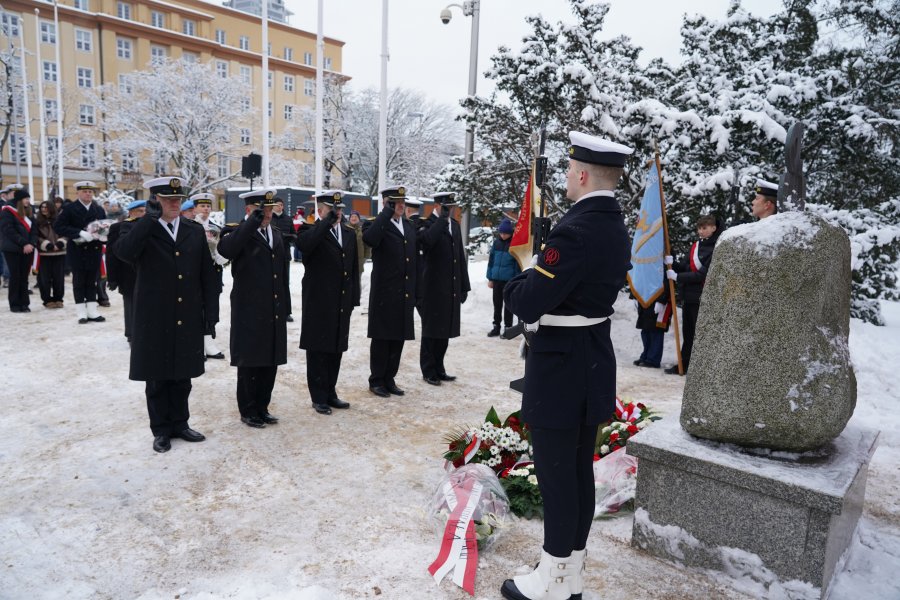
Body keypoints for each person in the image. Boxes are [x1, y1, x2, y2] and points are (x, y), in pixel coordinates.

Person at [502, 131, 633, 600]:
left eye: (567, 170)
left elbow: (527, 301)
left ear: (581, 174)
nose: (565, 177)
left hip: (562, 365)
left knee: (559, 475)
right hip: (589, 358)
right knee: (577, 471)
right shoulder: (612, 223)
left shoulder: (575, 230)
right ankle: (566, 570)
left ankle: (554, 582)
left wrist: (528, 271)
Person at [114, 176, 219, 453]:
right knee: (158, 376)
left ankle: (180, 423)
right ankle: (160, 429)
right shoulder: (138, 228)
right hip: (155, 314)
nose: (174, 204)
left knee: (182, 374)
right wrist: (148, 220)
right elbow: (123, 253)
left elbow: (206, 274)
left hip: (187, 311)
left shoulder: (192, 230)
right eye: (167, 199)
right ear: (155, 201)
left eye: (177, 199)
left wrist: (211, 314)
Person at [217, 188, 288, 428]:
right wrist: (250, 225)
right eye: (262, 209)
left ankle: (263, 406)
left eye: (269, 209)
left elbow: (281, 271)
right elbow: (226, 251)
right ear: (249, 210)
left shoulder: (275, 233)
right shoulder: (237, 232)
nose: (267, 214)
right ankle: (248, 409)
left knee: (270, 360)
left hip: (273, 306)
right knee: (250, 360)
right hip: (249, 307)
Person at [297, 191, 361, 415]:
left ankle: (331, 391)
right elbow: (305, 247)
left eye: (340, 209)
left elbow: (354, 268)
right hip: (319, 301)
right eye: (332, 210)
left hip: (341, 300)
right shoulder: (310, 230)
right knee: (318, 350)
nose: (338, 213)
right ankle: (318, 396)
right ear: (321, 210)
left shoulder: (348, 233)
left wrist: (354, 298)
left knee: (336, 348)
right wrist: (325, 223)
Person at [362, 185, 417, 398]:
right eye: (396, 202)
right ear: (387, 203)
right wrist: (386, 213)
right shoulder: (376, 224)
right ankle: (376, 379)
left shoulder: (409, 226)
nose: (401, 206)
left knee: (398, 338)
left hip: (404, 291)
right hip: (385, 291)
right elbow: (370, 240)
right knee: (382, 338)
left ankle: (389, 378)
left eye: (403, 202)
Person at [418, 192, 471, 385]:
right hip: (432, 288)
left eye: (453, 207)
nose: (451, 210)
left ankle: (439, 367)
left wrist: (464, 286)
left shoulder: (454, 226)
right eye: (447, 207)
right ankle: (428, 369)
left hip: (450, 288)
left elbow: (460, 258)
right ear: (438, 206)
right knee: (431, 331)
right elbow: (428, 241)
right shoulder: (427, 224)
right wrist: (441, 220)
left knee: (445, 330)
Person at [664, 214, 723, 375]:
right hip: (689, 298)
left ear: (713, 228)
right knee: (688, 335)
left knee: (700, 336)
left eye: (704, 228)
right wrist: (672, 263)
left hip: (702, 298)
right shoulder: (695, 246)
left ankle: (699, 370)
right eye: (699, 228)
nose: (701, 231)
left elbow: (702, 275)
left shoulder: (716, 248)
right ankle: (684, 365)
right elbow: (684, 266)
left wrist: (678, 277)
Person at [53, 181, 106, 324]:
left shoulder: (98, 209)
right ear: (78, 193)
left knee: (91, 281)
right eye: (85, 191)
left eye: (90, 191)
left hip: (94, 250)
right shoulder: (70, 208)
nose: (88, 194)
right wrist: (79, 232)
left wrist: (103, 237)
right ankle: (81, 312)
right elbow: (58, 226)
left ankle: (92, 310)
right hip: (77, 251)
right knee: (79, 281)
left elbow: (103, 228)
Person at [191, 192, 227, 359]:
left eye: (208, 206)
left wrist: (223, 259)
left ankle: (209, 342)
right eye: (202, 206)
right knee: (196, 309)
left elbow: (222, 249)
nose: (205, 209)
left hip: (213, 274)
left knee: (211, 308)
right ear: (195, 208)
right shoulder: (189, 226)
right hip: (195, 276)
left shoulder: (215, 227)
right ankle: (197, 344)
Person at [106, 199, 145, 343]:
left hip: (146, 273)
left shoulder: (150, 226)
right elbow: (111, 254)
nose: (143, 214)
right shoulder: (118, 227)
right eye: (140, 211)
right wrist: (112, 278)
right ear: (131, 212)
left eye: (145, 211)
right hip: (127, 274)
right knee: (130, 305)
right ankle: (131, 335)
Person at [0, 187, 37, 312]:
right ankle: (15, 304)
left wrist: (31, 243)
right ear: (20, 200)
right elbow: (8, 230)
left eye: (28, 198)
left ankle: (25, 303)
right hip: (12, 249)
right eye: (26, 199)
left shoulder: (29, 212)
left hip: (28, 249)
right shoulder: (7, 211)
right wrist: (24, 243)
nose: (28, 201)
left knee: (24, 277)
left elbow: (34, 231)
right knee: (15, 276)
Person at [486, 218, 521, 337]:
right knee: (497, 304)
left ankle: (508, 328)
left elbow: (517, 264)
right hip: (496, 279)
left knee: (508, 305)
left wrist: (516, 280)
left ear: (510, 233)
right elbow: (491, 261)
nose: (503, 235)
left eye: (505, 233)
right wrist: (490, 277)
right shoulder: (496, 243)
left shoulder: (514, 244)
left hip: (509, 280)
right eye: (501, 233)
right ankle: (496, 326)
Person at [34, 200, 67, 309]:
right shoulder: (37, 221)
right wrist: (45, 244)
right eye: (42, 207)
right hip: (44, 254)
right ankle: (47, 299)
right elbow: (35, 236)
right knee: (44, 279)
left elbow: (66, 233)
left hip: (59, 253)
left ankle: (59, 298)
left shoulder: (60, 220)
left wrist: (61, 242)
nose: (43, 209)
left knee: (59, 278)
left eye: (46, 207)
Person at [269, 197, 297, 322]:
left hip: (284, 255)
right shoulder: (269, 218)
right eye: (277, 205)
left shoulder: (287, 219)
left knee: (285, 283)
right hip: (271, 255)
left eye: (281, 204)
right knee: (271, 284)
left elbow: (294, 235)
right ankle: (271, 310)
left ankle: (286, 312)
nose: (279, 207)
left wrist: (287, 237)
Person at [632, 280, 670, 369]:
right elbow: (638, 276)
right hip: (644, 296)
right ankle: (645, 355)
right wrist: (634, 295)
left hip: (658, 297)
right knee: (645, 330)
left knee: (655, 330)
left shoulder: (663, 265)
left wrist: (661, 300)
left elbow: (666, 280)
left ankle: (653, 359)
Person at [347, 209, 366, 275]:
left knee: (358, 281)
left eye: (356, 217)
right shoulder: (345, 229)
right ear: (349, 219)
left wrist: (365, 257)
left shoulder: (362, 230)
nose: (354, 218)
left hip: (359, 260)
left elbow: (366, 245)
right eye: (352, 217)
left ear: (359, 219)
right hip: (348, 260)